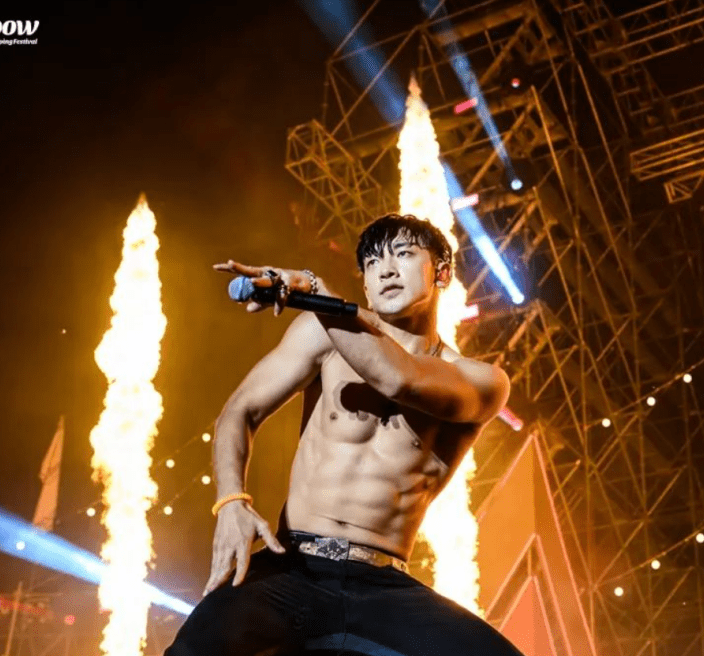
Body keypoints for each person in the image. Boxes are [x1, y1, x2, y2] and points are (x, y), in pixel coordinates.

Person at [164, 214, 525, 655]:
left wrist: (319, 293)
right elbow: (240, 410)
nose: (386, 270)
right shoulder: (321, 332)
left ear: (443, 274)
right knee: (193, 648)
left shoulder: (482, 380)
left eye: (403, 255)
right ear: (366, 286)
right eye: (372, 263)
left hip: (383, 589)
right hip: (294, 570)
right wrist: (231, 502)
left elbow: (399, 379)